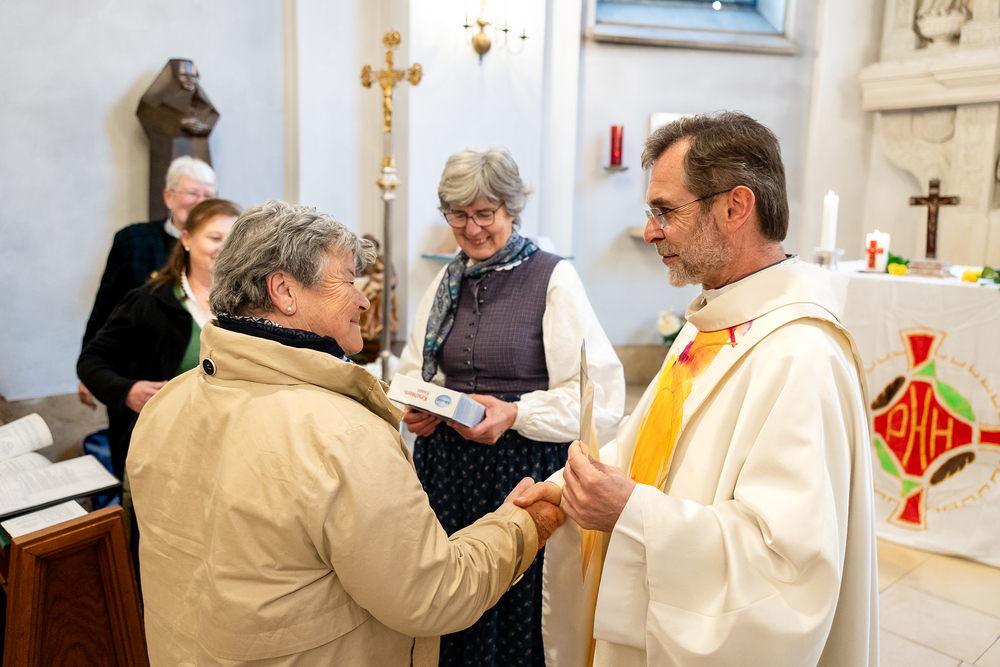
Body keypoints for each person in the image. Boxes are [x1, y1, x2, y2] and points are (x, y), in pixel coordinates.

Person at [126, 200, 565, 666]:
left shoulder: (166, 403)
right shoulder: (342, 436)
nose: (364, 300)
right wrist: (524, 525)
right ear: (285, 291)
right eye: (348, 281)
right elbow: (434, 595)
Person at [529, 112, 879, 666]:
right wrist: (565, 488)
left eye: (665, 211)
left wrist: (632, 513)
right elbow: (647, 446)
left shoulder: (802, 354)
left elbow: (787, 569)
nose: (651, 231)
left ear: (735, 207)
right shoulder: (713, 320)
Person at [396, 147, 625, 666]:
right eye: (458, 215)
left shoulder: (552, 278)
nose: (472, 228)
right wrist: (419, 405)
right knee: (448, 604)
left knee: (514, 615)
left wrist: (515, 413)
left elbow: (600, 399)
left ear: (512, 209)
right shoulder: (446, 281)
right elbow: (414, 370)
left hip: (520, 475)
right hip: (447, 475)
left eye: (485, 213)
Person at [77, 198, 240, 478]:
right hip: (164, 454)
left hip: (230, 450)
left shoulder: (249, 305)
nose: (224, 247)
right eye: (215, 238)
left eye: (233, 239)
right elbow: (91, 360)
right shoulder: (150, 301)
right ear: (186, 239)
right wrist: (126, 390)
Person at [78, 155, 217, 407]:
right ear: (168, 197)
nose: (200, 202)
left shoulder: (221, 253)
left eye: (208, 195)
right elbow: (105, 307)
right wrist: (96, 377)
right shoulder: (133, 240)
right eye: (192, 193)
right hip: (137, 376)